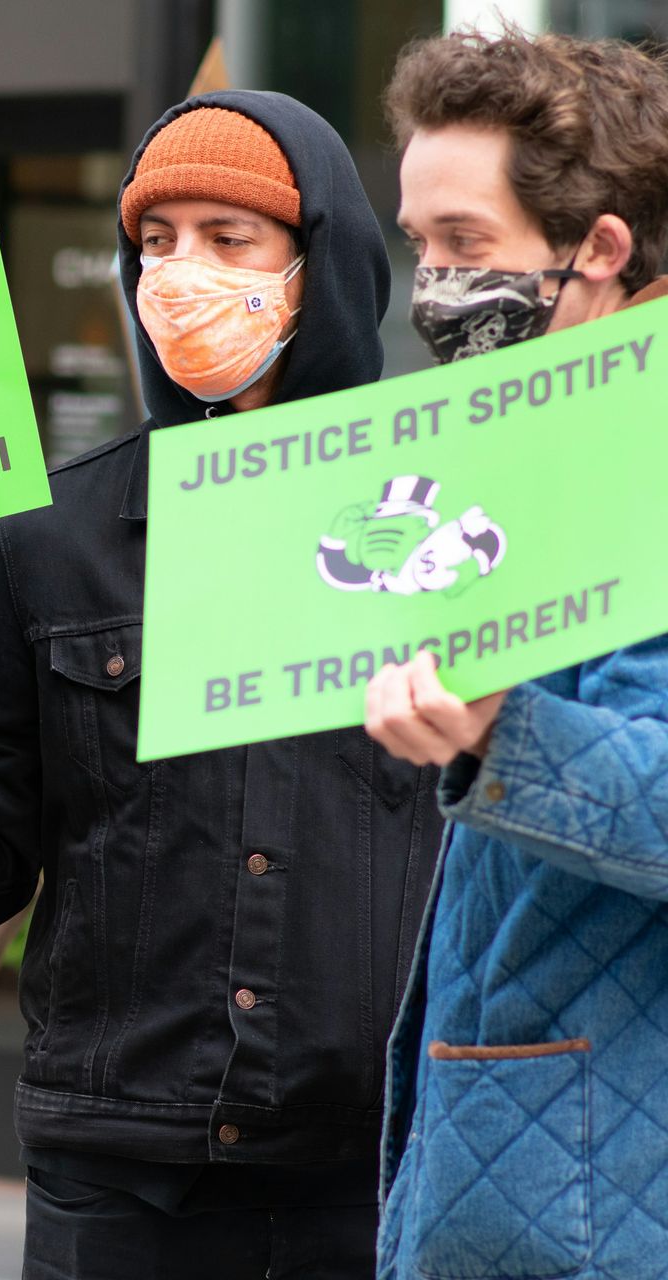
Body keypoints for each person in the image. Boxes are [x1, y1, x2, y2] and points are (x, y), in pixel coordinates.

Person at [0, 92, 444, 1278]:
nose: (182, 274)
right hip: (118, 1188)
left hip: (376, 1170)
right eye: (155, 241)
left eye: (231, 238)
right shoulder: (50, 538)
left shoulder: (436, 520)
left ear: (318, 260)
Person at [367, 30, 668, 1280]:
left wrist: (505, 733)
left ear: (597, 249)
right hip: (533, 1188)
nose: (432, 282)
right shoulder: (544, 448)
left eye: (465, 245)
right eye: (418, 245)